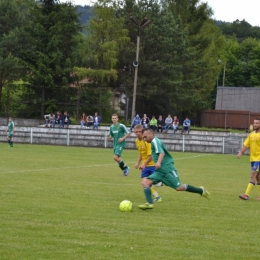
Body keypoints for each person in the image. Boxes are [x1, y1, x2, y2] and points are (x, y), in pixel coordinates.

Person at [138, 128, 210, 209]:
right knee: (145, 183)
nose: (144, 139)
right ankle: (149, 203)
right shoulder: (153, 142)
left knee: (179, 187)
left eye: (145, 137)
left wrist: (158, 162)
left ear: (151, 134)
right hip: (159, 171)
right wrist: (145, 164)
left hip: (167, 169)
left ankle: (201, 191)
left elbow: (162, 153)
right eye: (143, 137)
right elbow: (153, 155)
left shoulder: (155, 141)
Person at [134, 124, 162, 202]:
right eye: (136, 132)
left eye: (140, 131)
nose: (138, 133)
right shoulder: (136, 141)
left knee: (153, 182)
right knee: (145, 182)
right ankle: (156, 197)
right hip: (145, 167)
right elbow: (141, 153)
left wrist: (144, 164)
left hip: (152, 165)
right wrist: (138, 162)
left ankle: (161, 182)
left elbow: (151, 155)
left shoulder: (147, 141)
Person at [237, 118, 260, 200]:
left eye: (257, 123)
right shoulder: (251, 134)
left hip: (259, 159)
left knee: (252, 175)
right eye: (254, 123)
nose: (255, 124)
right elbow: (246, 145)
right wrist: (241, 152)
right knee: (258, 178)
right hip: (253, 159)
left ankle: (246, 195)